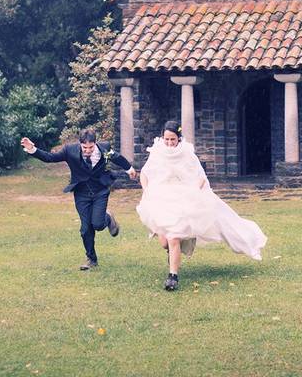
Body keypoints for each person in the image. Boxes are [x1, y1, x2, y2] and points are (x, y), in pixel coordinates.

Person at [136, 120, 268, 291]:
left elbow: (201, 177)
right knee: (165, 242)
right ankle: (176, 248)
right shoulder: (157, 153)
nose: (169, 144)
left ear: (179, 139)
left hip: (182, 198)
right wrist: (147, 190)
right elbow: (144, 174)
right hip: (162, 199)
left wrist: (194, 193)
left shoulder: (188, 154)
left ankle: (172, 277)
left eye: (173, 140)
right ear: (162, 138)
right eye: (167, 139)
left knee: (173, 237)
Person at [21, 130, 138, 270]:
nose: (88, 150)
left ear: (95, 143)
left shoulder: (104, 148)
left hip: (100, 190)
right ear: (80, 144)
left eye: (91, 147)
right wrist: (32, 149)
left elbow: (117, 157)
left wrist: (129, 169)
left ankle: (107, 217)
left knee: (98, 224)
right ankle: (91, 259)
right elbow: (50, 157)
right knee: (85, 228)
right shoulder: (69, 151)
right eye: (85, 148)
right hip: (81, 194)